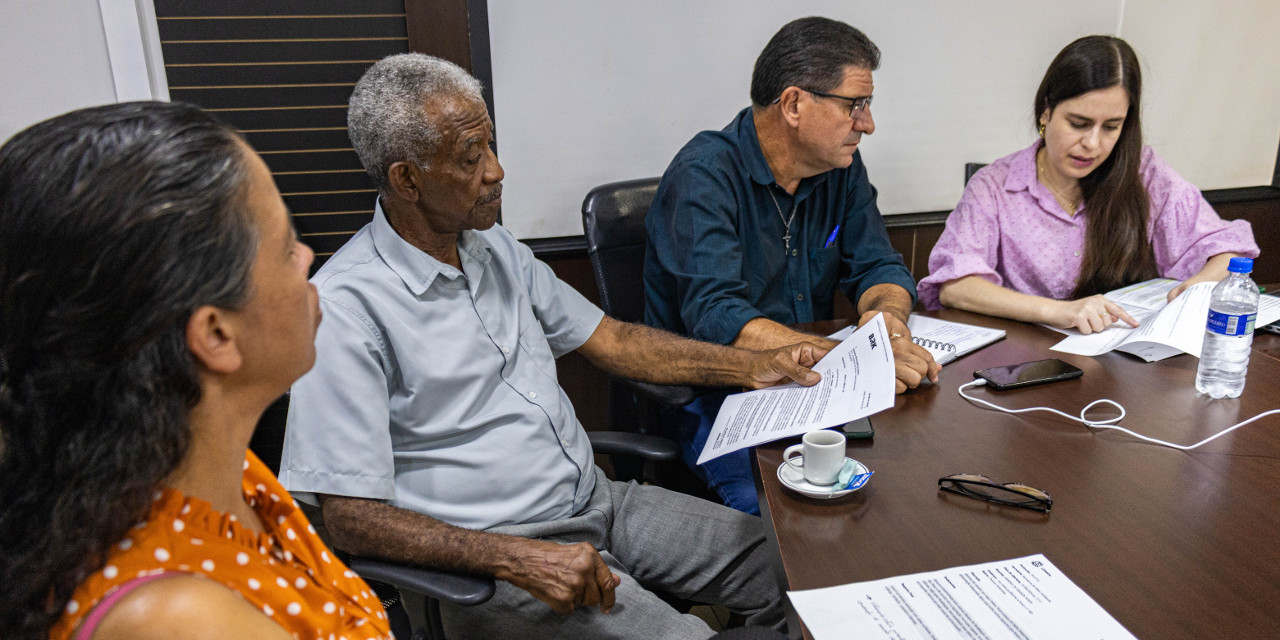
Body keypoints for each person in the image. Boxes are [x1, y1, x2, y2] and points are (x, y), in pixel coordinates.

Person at [279, 53, 828, 640]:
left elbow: (613, 340)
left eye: (491, 146)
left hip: (599, 500)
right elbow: (349, 519)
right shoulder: (343, 308)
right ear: (406, 179)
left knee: (806, 575)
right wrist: (514, 557)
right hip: (499, 554)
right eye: (471, 158)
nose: (497, 172)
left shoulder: (493, 249)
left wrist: (753, 365)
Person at [0, 102, 392, 640]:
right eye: (284, 249)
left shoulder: (222, 474)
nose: (307, 257)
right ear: (215, 335)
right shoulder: (177, 620)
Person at [642, 16, 939, 514]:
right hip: (720, 394)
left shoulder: (839, 167)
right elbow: (717, 318)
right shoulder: (703, 175)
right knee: (785, 518)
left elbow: (880, 266)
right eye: (855, 105)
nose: (867, 123)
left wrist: (886, 322)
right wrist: (847, 360)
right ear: (795, 104)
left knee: (907, 488)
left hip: (812, 388)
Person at [918, 35, 1258, 332]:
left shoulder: (1145, 174)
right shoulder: (994, 187)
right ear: (1046, 111)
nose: (1093, 145)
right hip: (1028, 364)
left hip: (1125, 368)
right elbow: (956, 285)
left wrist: (1197, 287)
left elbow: (1225, 250)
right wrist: (1058, 311)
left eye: (1111, 127)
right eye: (1079, 123)